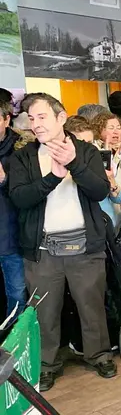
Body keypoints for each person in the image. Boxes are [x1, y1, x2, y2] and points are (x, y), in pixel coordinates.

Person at [7, 94, 116, 390]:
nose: (36, 124)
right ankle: (47, 364)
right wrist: (52, 178)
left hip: (85, 246)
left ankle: (99, 354)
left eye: (42, 117)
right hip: (42, 250)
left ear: (60, 117)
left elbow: (99, 191)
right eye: (31, 118)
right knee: (45, 312)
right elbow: (20, 198)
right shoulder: (23, 157)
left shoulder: (86, 151)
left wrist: (74, 164)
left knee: (91, 305)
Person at [65, 116, 121, 231]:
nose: (87, 148)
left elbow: (119, 198)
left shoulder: (95, 159)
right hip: (82, 231)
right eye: (81, 143)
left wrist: (112, 182)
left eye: (90, 143)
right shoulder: (61, 168)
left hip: (109, 229)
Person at [0, 100, 25, 321]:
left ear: (7, 119)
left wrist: (4, 180)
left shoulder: (21, 148)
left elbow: (29, 194)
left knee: (16, 293)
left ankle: (15, 347)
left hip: (12, 236)